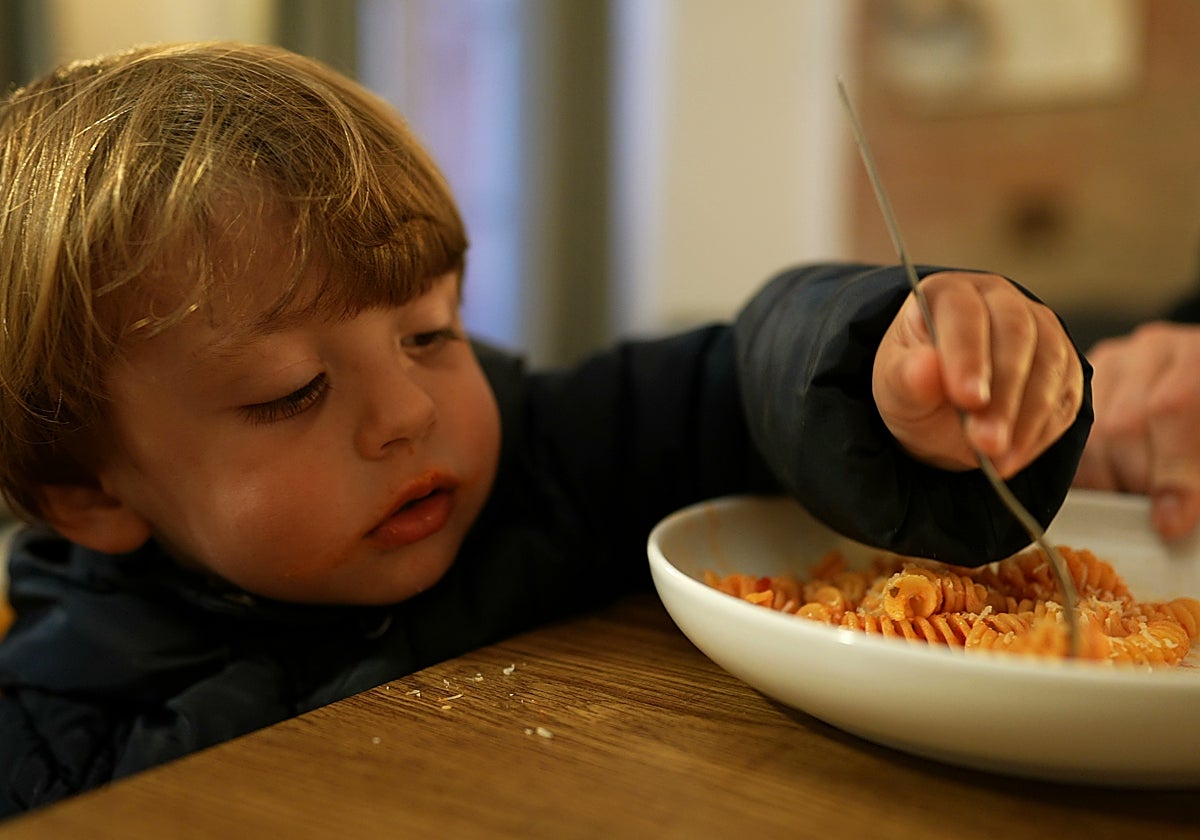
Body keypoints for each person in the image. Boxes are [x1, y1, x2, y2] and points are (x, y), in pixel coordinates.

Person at [0, 42, 1090, 816]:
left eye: (431, 331)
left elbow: (733, 376)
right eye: (290, 390)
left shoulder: (544, 458)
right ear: (94, 493)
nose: (411, 412)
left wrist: (884, 359)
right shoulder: (54, 745)